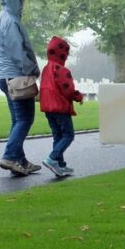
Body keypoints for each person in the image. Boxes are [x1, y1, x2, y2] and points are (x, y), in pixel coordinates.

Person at [0, 0, 41, 176]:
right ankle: (10, 157)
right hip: (16, 75)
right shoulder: (11, 21)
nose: (24, 1)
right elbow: (17, 51)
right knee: (25, 119)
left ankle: (20, 161)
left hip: (3, 75)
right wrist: (32, 69)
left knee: (17, 120)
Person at [39, 35, 84, 177]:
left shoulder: (46, 69)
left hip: (47, 107)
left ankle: (60, 165)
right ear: (63, 53)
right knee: (68, 135)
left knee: (57, 136)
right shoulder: (61, 70)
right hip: (59, 107)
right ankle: (52, 159)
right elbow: (67, 89)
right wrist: (78, 96)